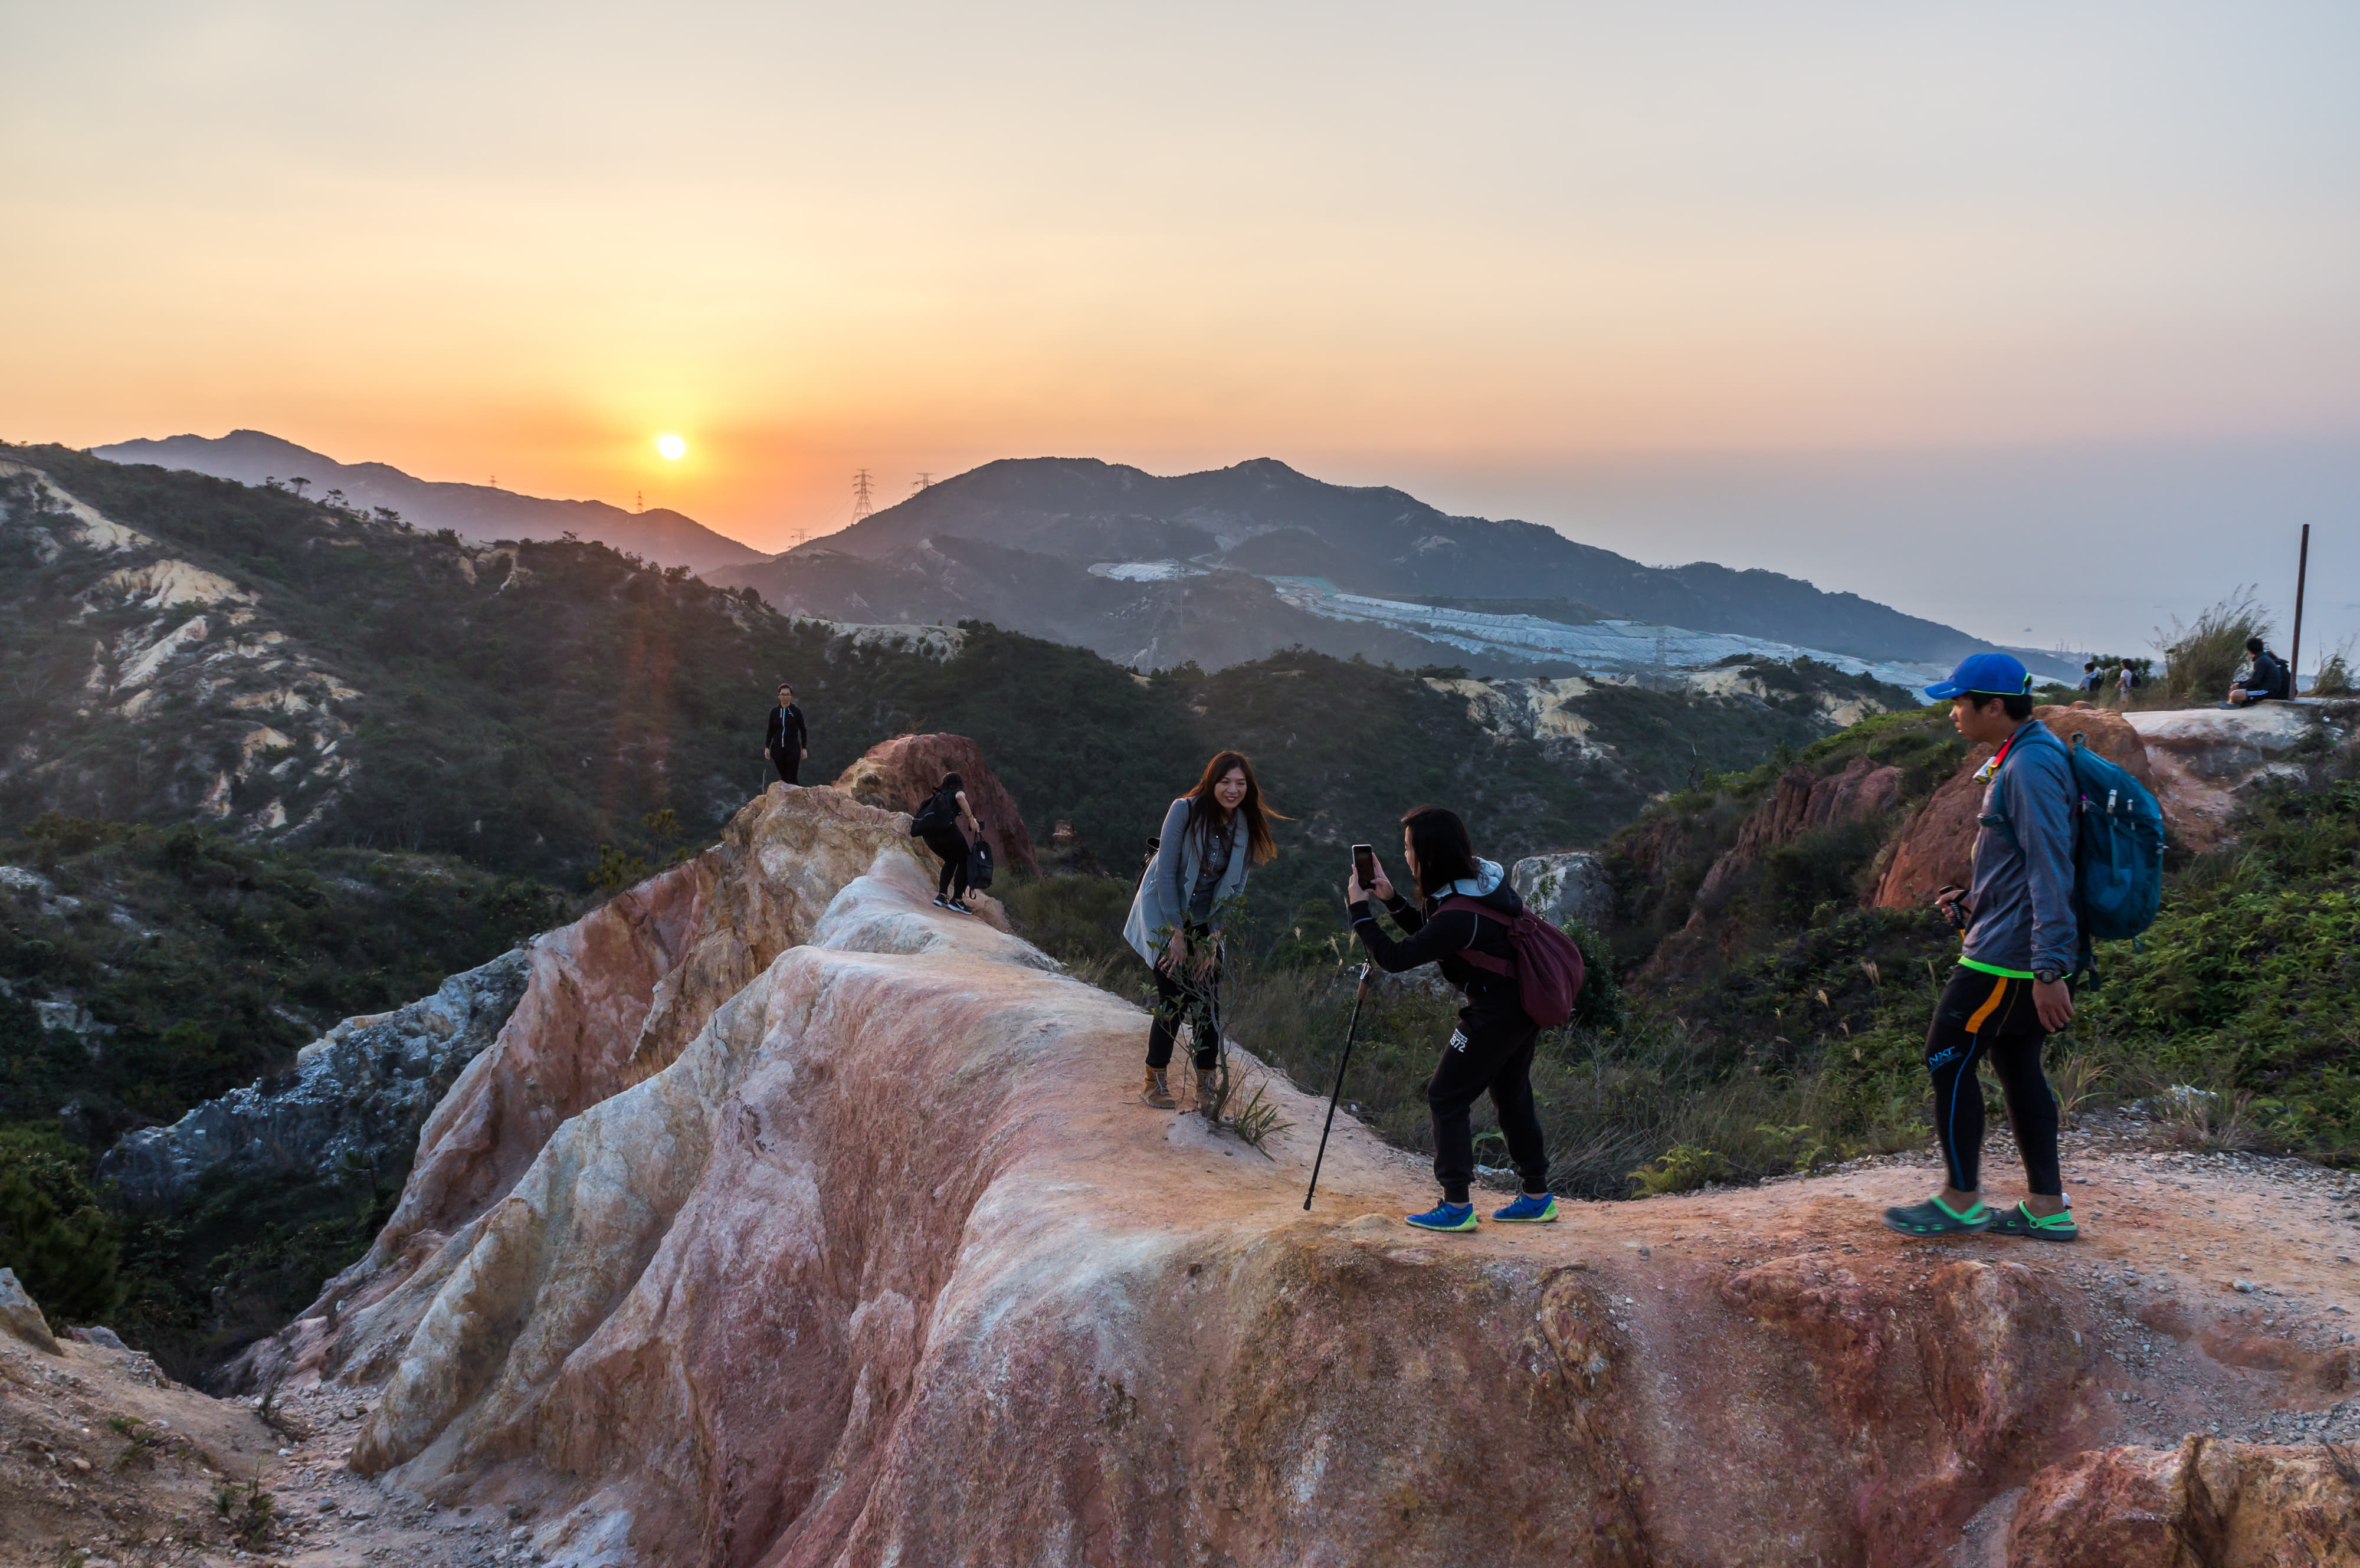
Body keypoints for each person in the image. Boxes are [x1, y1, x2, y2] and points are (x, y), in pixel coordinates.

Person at [1886, 652, 2079, 1242]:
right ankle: (2047, 1208)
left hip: (2007, 959)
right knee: (2017, 1064)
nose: (1952, 712)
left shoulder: (2027, 769)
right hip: (2011, 941)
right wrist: (1976, 901)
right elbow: (2024, 867)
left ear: (1992, 706)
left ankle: (1960, 1199)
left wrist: (2049, 966)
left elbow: (2051, 869)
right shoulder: (2027, 754)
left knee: (1944, 1057)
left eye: (1959, 701)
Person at [1346, 806, 1556, 1234]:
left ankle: (1456, 1204)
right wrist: (1391, 901)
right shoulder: (1475, 886)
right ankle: (1537, 1197)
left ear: (1428, 853)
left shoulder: (1459, 911)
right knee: (1511, 1095)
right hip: (1519, 1006)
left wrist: (1359, 911)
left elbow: (1396, 958)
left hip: (1495, 1012)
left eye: (1408, 848)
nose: (1404, 856)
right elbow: (1435, 936)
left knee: (1446, 1095)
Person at [1122, 752, 1281, 1112]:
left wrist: (1213, 940)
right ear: (1212, 781)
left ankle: (1206, 1088)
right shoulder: (1184, 810)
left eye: (1241, 783)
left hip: (1208, 919)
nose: (1233, 790)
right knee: (1171, 996)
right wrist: (1175, 934)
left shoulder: (1245, 824)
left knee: (1208, 1003)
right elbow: (1165, 876)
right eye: (1226, 781)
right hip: (1166, 911)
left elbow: (1236, 887)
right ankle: (1154, 1080)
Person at [916, 772, 982, 913]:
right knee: (966, 859)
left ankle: (941, 896)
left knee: (951, 861)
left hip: (929, 837)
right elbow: (960, 797)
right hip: (947, 832)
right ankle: (957, 901)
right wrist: (971, 819)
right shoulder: (956, 792)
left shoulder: (936, 796)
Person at [764, 684, 809, 785]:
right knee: (784, 777)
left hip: (793, 748)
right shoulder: (774, 712)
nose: (785, 697)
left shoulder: (796, 712)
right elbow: (770, 730)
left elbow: (803, 730)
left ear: (791, 696)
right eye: (783, 695)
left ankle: (797, 797)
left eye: (787, 694)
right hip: (777, 748)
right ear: (779, 696)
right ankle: (787, 797)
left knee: (792, 776)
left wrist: (804, 747)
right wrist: (767, 747)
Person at [2225, 637, 2290, 706]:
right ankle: (2240, 703)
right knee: (2237, 692)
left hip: (2266, 691)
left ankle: (2238, 704)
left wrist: (2241, 686)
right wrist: (2240, 684)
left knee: (2234, 694)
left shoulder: (2261, 661)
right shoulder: (2264, 659)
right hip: (2268, 690)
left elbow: (2255, 682)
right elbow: (2255, 680)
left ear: (2249, 651)